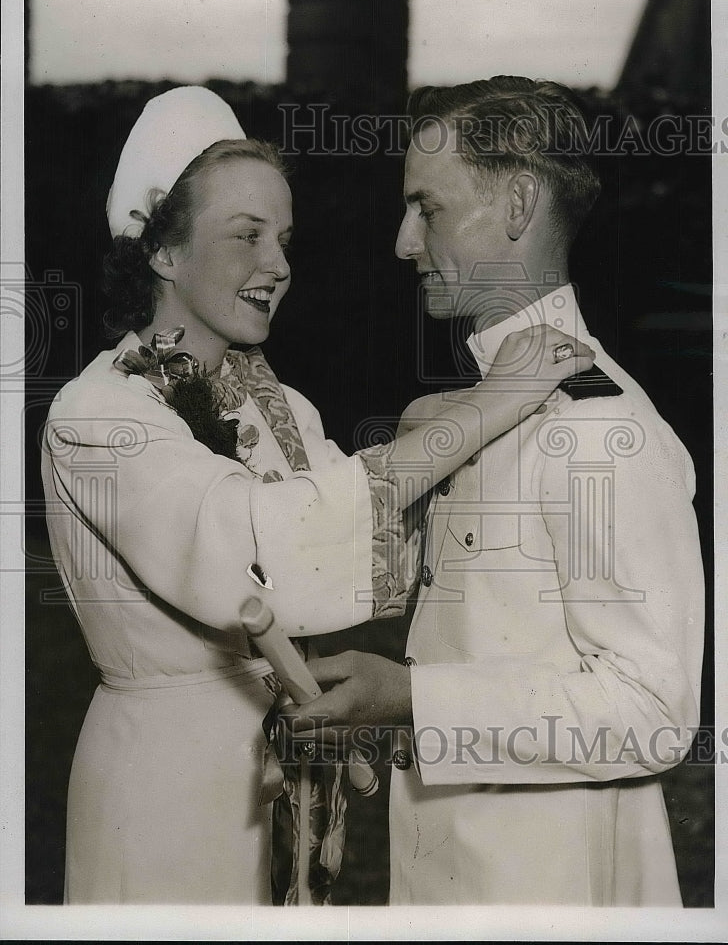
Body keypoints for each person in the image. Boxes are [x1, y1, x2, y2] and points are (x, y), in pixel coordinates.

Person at [40, 85, 593, 905]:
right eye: (247, 236)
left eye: (285, 238)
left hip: (285, 786)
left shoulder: (281, 408)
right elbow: (258, 549)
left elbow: (377, 547)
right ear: (161, 249)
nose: (279, 264)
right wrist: (485, 407)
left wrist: (437, 432)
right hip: (163, 792)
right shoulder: (99, 414)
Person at [282, 76, 705, 906]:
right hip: (458, 871)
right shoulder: (480, 403)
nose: (404, 242)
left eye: (427, 209)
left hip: (550, 886)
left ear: (518, 205)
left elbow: (653, 710)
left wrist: (413, 698)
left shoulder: (598, 428)